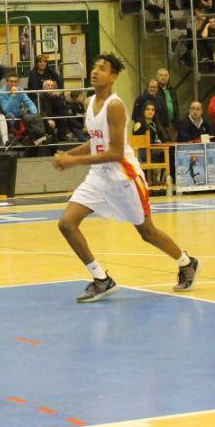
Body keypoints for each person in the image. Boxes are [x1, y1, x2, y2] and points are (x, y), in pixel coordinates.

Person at [53, 54, 198, 303]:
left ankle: (186, 263)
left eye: (103, 68)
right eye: (95, 67)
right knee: (66, 223)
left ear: (113, 76)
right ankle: (101, 279)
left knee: (147, 232)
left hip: (123, 176)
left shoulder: (115, 105)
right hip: (98, 176)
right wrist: (70, 153)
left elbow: (115, 152)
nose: (96, 71)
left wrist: (73, 161)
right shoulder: (89, 102)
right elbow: (96, 142)